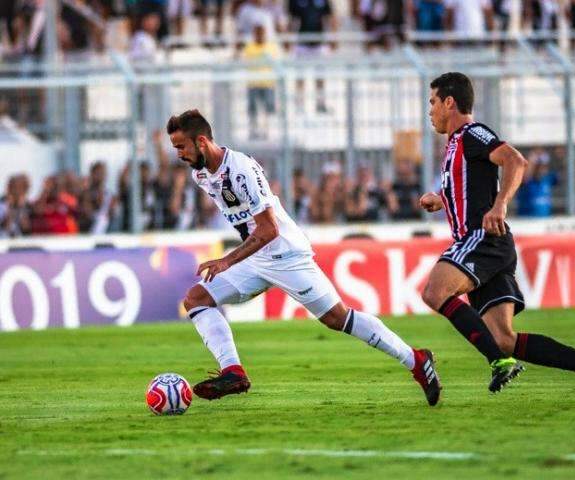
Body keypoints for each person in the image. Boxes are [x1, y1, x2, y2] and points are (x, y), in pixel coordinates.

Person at [166, 109, 441, 406]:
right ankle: (233, 372)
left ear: (202, 141)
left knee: (337, 318)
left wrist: (226, 261)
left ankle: (416, 360)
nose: (179, 154)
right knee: (196, 299)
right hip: (257, 258)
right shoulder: (201, 174)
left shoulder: (242, 169)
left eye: (182, 146)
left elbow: (269, 229)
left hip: (286, 254)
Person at [419, 72, 575, 407]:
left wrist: (500, 204)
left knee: (436, 292)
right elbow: (472, 189)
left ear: (450, 102)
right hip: (493, 247)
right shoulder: (454, 145)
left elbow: (515, 160)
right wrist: (442, 198)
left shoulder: (472, 133)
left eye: (433, 102)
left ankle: (498, 363)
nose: (430, 110)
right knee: (503, 338)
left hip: (482, 239)